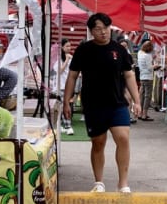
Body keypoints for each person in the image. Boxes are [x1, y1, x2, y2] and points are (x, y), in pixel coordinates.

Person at [63, 13, 141, 193]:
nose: (103, 32)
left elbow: (129, 75)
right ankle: (99, 182)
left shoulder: (119, 50)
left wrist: (137, 101)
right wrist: (67, 101)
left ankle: (123, 183)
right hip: (93, 104)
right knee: (98, 142)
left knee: (123, 138)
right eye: (98, 29)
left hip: (118, 103)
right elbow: (72, 75)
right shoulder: (84, 50)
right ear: (91, 31)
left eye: (106, 28)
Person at [54, 38, 74, 134]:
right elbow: (60, 71)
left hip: (69, 86)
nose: (69, 48)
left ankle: (64, 125)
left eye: (70, 46)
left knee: (67, 106)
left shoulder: (72, 58)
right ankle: (67, 126)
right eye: (67, 46)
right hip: (60, 86)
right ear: (62, 47)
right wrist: (66, 60)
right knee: (63, 106)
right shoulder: (58, 59)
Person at [136, 39, 156, 120]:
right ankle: (144, 114)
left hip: (142, 77)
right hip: (148, 77)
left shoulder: (140, 53)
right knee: (147, 96)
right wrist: (155, 66)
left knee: (142, 95)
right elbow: (149, 68)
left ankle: (140, 114)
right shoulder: (147, 56)